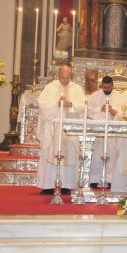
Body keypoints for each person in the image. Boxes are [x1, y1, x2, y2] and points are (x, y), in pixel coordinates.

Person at [36, 65, 86, 194]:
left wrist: (71, 105)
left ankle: (66, 185)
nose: (65, 80)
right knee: (50, 154)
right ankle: (48, 186)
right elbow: (42, 104)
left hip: (69, 129)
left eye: (68, 77)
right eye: (63, 77)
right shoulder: (50, 87)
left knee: (69, 155)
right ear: (59, 75)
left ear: (71, 76)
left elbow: (83, 106)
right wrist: (56, 105)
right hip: (53, 126)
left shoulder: (77, 89)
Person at [87, 76, 123, 187]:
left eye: (109, 87)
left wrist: (113, 112)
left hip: (112, 131)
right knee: (97, 153)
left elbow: (123, 113)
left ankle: (110, 179)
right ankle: (94, 179)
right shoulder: (95, 96)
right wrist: (100, 110)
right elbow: (87, 110)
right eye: (104, 87)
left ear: (112, 86)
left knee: (112, 153)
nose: (107, 89)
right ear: (101, 85)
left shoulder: (119, 97)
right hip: (98, 131)